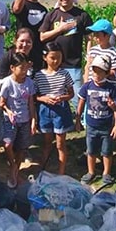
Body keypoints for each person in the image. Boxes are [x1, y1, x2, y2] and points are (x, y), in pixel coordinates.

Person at [39, 0, 92, 109]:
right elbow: (42, 37)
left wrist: (89, 56)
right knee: (55, 95)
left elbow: (89, 37)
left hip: (74, 62)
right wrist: (60, 29)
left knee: (77, 95)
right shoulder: (51, 15)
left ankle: (82, 120)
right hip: (54, 63)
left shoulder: (82, 15)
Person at [33, 42, 74, 175]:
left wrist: (62, 98)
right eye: (53, 57)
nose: (56, 61)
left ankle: (61, 172)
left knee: (60, 144)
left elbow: (71, 93)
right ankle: (43, 169)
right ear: (45, 58)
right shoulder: (39, 75)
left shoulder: (65, 74)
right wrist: (43, 99)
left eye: (59, 57)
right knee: (46, 143)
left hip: (60, 110)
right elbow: (34, 96)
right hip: (45, 110)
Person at [76, 56, 116, 186]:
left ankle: (106, 173)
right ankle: (91, 171)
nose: (96, 74)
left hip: (106, 126)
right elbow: (81, 102)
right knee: (91, 150)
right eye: (94, 71)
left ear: (106, 73)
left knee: (107, 151)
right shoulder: (87, 86)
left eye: (99, 72)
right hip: (91, 125)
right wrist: (78, 119)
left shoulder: (111, 88)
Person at [0, 51, 37, 188]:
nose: (24, 71)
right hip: (11, 121)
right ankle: (13, 166)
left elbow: (31, 103)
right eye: (21, 68)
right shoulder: (7, 83)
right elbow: (1, 103)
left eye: (26, 67)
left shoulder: (29, 83)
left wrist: (33, 120)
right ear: (12, 68)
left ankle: (16, 172)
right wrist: (8, 111)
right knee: (8, 144)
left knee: (21, 147)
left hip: (25, 120)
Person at [11, 0, 48, 72]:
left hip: (38, 52)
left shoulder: (43, 9)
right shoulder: (22, 4)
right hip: (23, 50)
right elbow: (16, 9)